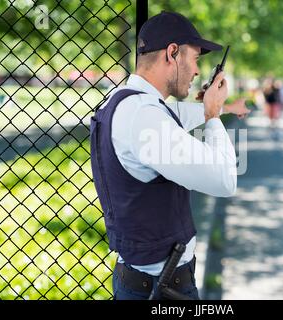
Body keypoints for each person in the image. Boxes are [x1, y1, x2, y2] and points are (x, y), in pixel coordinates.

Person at [89, 11, 250, 300]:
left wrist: (223, 107)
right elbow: (224, 181)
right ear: (172, 53)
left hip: (144, 282)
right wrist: (213, 116)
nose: (197, 71)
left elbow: (174, 115)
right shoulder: (145, 117)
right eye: (195, 58)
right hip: (163, 289)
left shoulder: (127, 102)